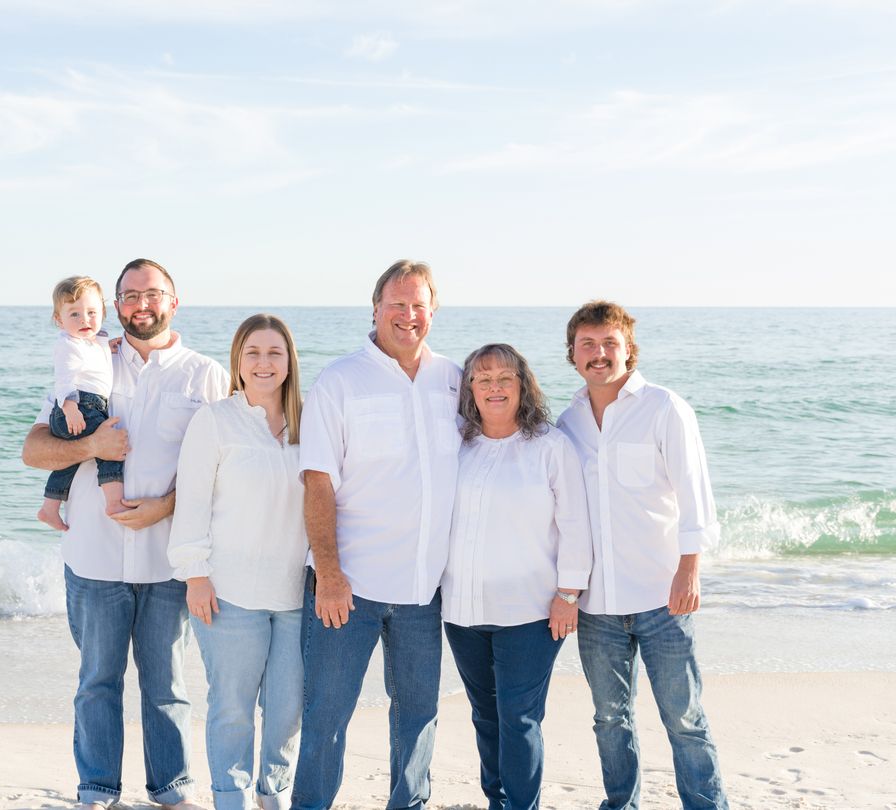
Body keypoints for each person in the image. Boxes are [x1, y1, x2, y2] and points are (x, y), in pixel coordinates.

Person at [21, 258, 229, 810]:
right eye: (131, 295)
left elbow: (227, 474)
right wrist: (90, 448)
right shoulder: (88, 361)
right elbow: (34, 449)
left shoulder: (204, 374)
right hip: (93, 559)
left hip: (168, 562)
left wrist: (165, 506)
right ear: (116, 305)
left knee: (168, 689)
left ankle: (172, 790)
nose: (142, 304)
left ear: (173, 301)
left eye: (153, 294)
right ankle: (97, 792)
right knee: (97, 685)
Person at [291, 260, 461, 810]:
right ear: (375, 309)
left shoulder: (455, 380)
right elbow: (317, 484)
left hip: (424, 591)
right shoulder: (340, 380)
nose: (407, 316)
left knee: (417, 717)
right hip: (350, 587)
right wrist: (331, 576)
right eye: (397, 304)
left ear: (432, 312)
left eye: (418, 305)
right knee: (327, 717)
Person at [556, 300, 728, 810]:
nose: (599, 353)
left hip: (662, 597)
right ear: (572, 354)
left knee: (685, 718)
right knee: (610, 719)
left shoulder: (664, 408)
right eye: (587, 344)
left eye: (610, 342)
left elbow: (697, 495)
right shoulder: (568, 423)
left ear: (629, 349)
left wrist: (689, 569)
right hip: (597, 608)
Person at [441, 343, 592, 810]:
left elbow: (575, 525)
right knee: (486, 716)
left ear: (523, 385)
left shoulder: (549, 445)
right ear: (469, 388)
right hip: (462, 610)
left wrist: (569, 593)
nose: (494, 388)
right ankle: (497, 800)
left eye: (505, 378)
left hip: (529, 611)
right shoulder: (455, 442)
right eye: (483, 379)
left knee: (519, 717)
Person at [167, 314, 308, 810]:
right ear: (238, 362)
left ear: (289, 361)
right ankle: (232, 798)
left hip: (295, 595)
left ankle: (275, 794)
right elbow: (192, 503)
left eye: (274, 352)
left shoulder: (309, 423)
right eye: (253, 353)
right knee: (232, 709)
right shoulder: (215, 420)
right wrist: (195, 575)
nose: (264, 363)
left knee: (289, 709)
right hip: (229, 592)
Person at [37, 276, 125, 531]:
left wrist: (107, 346)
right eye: (74, 314)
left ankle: (49, 508)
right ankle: (114, 502)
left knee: (72, 460)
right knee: (110, 449)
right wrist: (70, 408)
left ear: (103, 313)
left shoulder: (92, 342)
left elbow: (92, 361)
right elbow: (64, 380)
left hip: (87, 405)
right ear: (59, 320)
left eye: (91, 312)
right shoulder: (68, 345)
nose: (84, 320)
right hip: (81, 406)